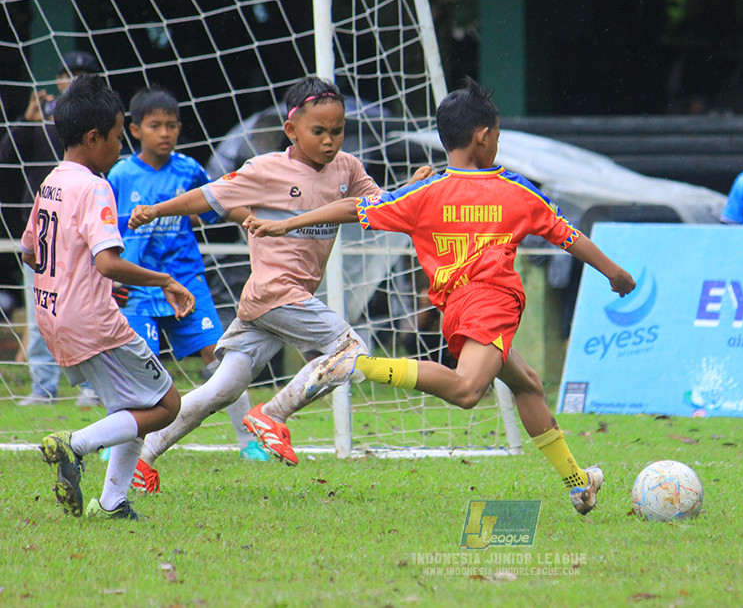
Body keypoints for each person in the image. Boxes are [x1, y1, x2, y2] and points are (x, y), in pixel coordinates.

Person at [242, 79, 636, 515]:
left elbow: (355, 208)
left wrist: (289, 223)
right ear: (484, 136)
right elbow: (569, 236)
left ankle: (578, 485)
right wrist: (614, 272)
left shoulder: (424, 192)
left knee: (528, 385)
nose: (497, 144)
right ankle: (359, 364)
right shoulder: (518, 190)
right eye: (498, 137)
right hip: (493, 303)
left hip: (458, 308)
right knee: (468, 390)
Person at [124, 76, 432, 492]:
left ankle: (142, 459)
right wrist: (156, 209)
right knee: (351, 351)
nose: (329, 141)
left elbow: (380, 207)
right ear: (292, 130)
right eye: (318, 131)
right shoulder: (266, 169)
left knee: (224, 388)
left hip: (275, 301)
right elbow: (208, 196)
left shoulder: (349, 168)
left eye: (337, 131)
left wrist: (410, 190)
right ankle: (274, 414)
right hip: (275, 292)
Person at [22, 74, 195, 520]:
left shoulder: (51, 183)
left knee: (132, 406)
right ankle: (74, 446)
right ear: (94, 137)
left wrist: (75, 276)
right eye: (118, 137)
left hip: (53, 315)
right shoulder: (95, 185)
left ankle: (114, 501)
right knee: (166, 405)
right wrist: (166, 281)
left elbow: (29, 252)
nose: (121, 147)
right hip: (94, 321)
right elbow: (109, 263)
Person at [107, 86, 269, 462]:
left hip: (187, 281)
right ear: (135, 130)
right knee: (138, 364)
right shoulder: (121, 174)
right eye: (155, 126)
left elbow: (210, 207)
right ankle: (120, 442)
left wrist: (247, 217)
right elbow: (108, 227)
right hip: (140, 284)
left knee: (222, 356)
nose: (164, 133)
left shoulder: (189, 169)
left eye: (171, 126)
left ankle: (250, 442)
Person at [2, 51, 103, 406]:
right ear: (58, 79)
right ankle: (43, 387)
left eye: (83, 74)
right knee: (40, 309)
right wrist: (27, 121)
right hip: (44, 229)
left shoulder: (101, 121)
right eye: (68, 74)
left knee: (88, 308)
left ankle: (92, 387)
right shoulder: (41, 117)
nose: (74, 79)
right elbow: (6, 156)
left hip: (84, 229)